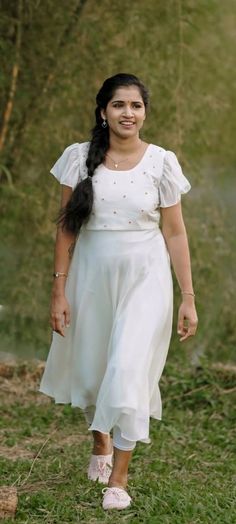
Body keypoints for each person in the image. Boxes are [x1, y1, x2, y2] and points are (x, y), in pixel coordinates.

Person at [39, 73, 198, 511]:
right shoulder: (78, 158)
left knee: (128, 369)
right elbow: (67, 228)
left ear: (145, 112)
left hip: (145, 277)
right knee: (94, 371)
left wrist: (187, 296)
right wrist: (59, 291)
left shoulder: (162, 162)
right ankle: (100, 445)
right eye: (119, 105)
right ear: (103, 111)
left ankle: (120, 481)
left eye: (136, 105)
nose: (128, 113)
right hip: (91, 276)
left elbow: (176, 232)